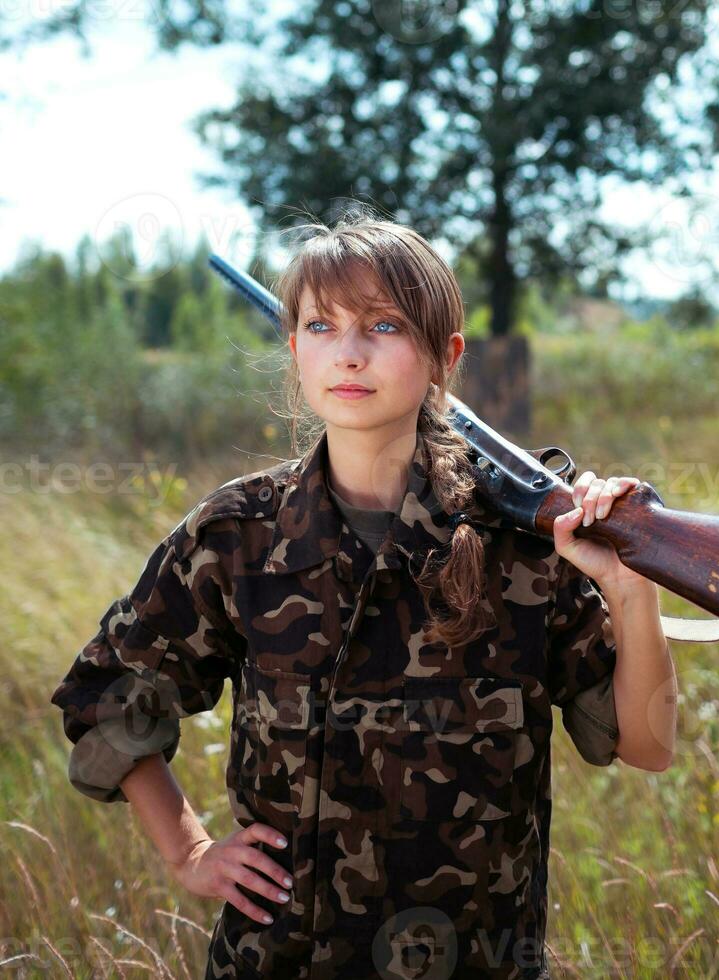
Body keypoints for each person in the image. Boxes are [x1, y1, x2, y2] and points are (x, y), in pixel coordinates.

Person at [49, 207, 677, 980]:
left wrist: (629, 590)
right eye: (320, 327)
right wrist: (191, 853)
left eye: (382, 327)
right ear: (294, 350)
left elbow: (647, 745)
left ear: (443, 355)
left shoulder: (523, 544)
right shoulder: (238, 533)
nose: (347, 354)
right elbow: (107, 695)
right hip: (283, 961)